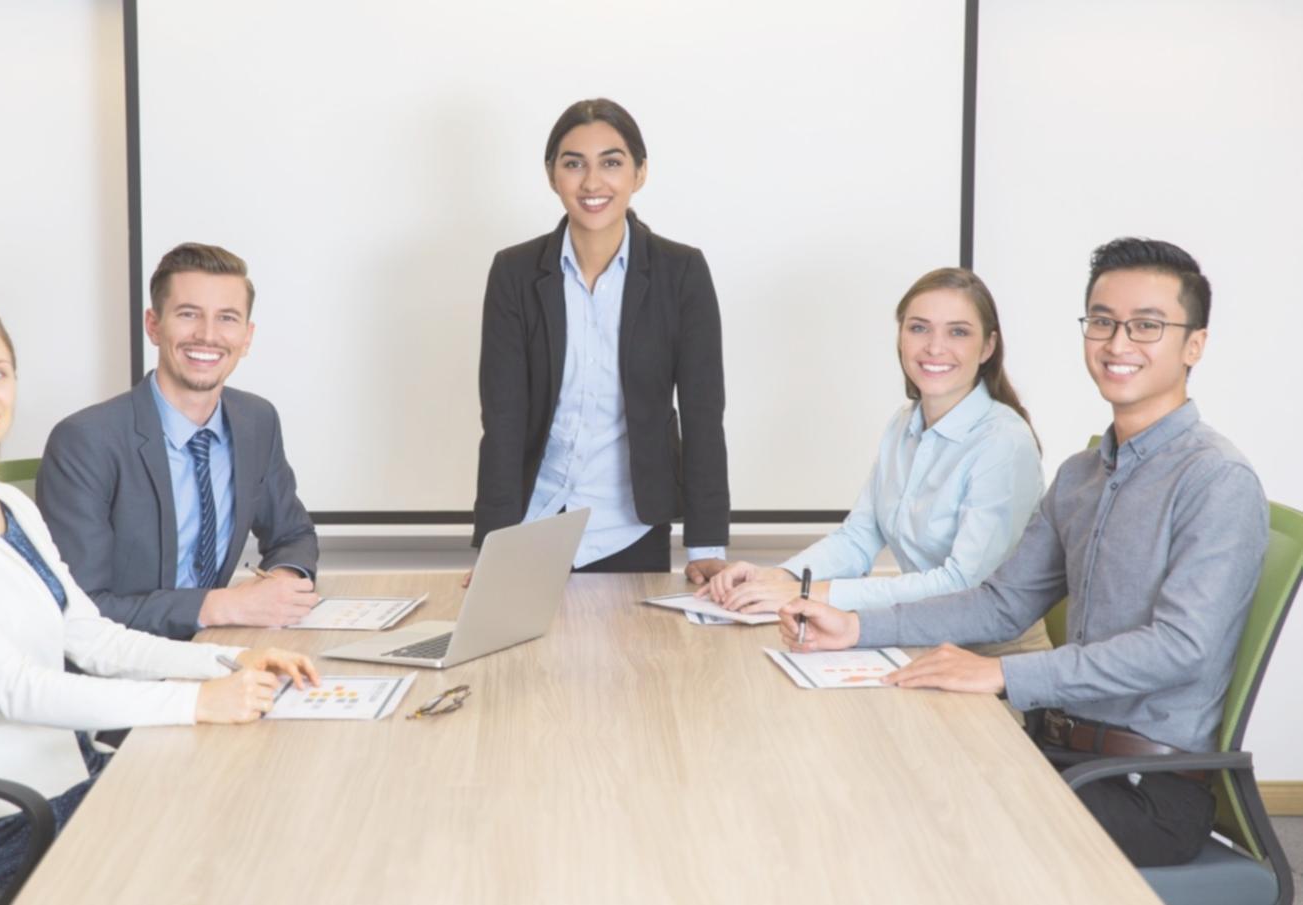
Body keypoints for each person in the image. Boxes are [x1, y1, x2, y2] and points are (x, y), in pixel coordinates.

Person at [780, 238, 1268, 867]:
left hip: (1145, 788)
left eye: (1147, 325)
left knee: (924, 822)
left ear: (1193, 345)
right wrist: (854, 627)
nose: (1118, 343)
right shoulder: (1081, 475)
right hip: (1063, 751)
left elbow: (1180, 647)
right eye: (1102, 321)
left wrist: (1006, 675)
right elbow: (1001, 604)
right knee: (869, 769)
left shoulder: (1216, 479)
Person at [0, 299, 319, 885]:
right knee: (231, 839)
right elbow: (13, 690)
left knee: (261, 797)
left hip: (67, 775)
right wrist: (197, 702)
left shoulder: (6, 502)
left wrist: (231, 660)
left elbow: (90, 636)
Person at [699, 268, 1050, 654]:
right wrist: (780, 576)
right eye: (919, 328)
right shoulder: (903, 425)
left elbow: (962, 584)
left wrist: (811, 593)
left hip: (990, 661)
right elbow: (859, 537)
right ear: (901, 337)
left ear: (987, 347)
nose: (935, 347)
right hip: (921, 642)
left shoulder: (1003, 443)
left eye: (958, 332)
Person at [473, 98, 729, 579]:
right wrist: (494, 545)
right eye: (574, 164)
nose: (592, 183)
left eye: (611, 163)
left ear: (640, 172)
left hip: (630, 529)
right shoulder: (514, 273)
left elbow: (703, 415)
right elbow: (503, 420)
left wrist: (706, 546)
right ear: (552, 175)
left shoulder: (681, 273)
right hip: (532, 525)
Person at [38, 243, 319, 640]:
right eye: (188, 314)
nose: (207, 335)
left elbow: (292, 534)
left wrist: (282, 584)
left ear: (247, 336)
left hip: (218, 645)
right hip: (126, 661)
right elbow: (80, 609)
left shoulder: (256, 421)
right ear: (153, 325)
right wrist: (223, 605)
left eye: (227, 318)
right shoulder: (86, 441)